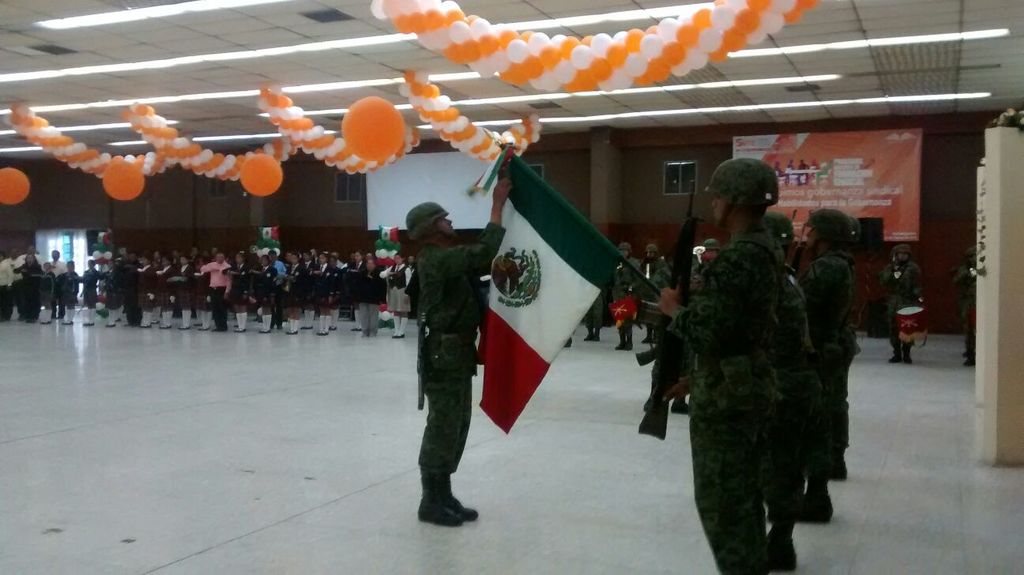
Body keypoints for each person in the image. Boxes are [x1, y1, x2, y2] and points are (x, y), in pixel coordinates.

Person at [657, 158, 782, 574]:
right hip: (744, 382)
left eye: (719, 195)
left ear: (735, 200)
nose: (713, 202)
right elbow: (740, 331)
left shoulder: (737, 258)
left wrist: (674, 310)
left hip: (728, 400)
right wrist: (697, 378)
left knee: (724, 505)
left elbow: (711, 334)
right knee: (743, 497)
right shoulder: (765, 248)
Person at [406, 176, 508, 528]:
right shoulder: (434, 258)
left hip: (456, 352)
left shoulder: (445, 256)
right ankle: (430, 500)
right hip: (443, 353)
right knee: (442, 424)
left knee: (457, 423)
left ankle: (443, 494)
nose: (450, 221)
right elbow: (483, 253)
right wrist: (497, 206)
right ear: (430, 229)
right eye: (443, 219)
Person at [761, 211, 823, 571]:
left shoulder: (770, 285)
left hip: (777, 384)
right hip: (796, 382)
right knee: (787, 465)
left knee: (774, 466)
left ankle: (776, 541)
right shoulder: (788, 280)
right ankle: (781, 539)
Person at [798, 209, 857, 523]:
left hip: (820, 347)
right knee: (833, 404)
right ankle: (834, 461)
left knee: (818, 416)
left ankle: (819, 487)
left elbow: (803, 306)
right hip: (832, 344)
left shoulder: (826, 267)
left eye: (812, 230)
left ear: (823, 234)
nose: (807, 234)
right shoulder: (839, 263)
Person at [879, 244, 923, 364]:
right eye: (900, 254)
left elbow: (918, 284)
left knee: (907, 328)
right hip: (893, 301)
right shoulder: (890, 267)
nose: (903, 256)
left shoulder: (913, 268)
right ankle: (897, 353)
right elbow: (883, 281)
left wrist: (918, 296)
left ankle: (907, 353)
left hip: (907, 301)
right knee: (893, 328)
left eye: (905, 254)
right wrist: (893, 270)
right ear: (895, 255)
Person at [612, 242, 640, 351]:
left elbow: (638, 279)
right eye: (620, 250)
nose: (623, 252)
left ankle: (629, 342)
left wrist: (631, 288)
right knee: (619, 319)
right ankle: (622, 341)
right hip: (618, 293)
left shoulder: (634, 263)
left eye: (625, 250)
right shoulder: (617, 263)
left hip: (628, 294)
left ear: (629, 251)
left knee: (627, 320)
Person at [953, 246, 978, 366]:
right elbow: (956, 281)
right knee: (969, 329)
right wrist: (966, 272)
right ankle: (970, 353)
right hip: (968, 303)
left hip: (982, 303)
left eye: (976, 256)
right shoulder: (965, 269)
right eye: (972, 256)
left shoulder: (985, 267)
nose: (975, 259)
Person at [640, 243, 669, 344]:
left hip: (657, 291)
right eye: (648, 252)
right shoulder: (644, 262)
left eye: (651, 252)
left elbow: (663, 276)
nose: (649, 254)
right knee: (648, 314)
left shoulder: (661, 263)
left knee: (657, 314)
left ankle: (656, 335)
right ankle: (649, 335)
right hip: (647, 291)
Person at [383, 254, 413, 338]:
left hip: (403, 291)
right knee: (395, 310)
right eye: (395, 258)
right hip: (393, 291)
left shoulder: (406, 269)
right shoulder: (392, 268)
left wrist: (407, 293)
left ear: (403, 259)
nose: (396, 260)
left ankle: (402, 331)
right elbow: (381, 274)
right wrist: (388, 273)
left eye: (398, 258)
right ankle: (396, 330)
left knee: (403, 311)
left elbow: (409, 282)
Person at [355, 257, 387, 337]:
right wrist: (357, 297)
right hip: (363, 298)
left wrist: (382, 299)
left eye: (371, 264)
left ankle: (373, 331)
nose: (369, 265)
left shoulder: (379, 274)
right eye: (368, 263)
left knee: (373, 316)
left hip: (374, 298)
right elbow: (357, 286)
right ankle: (364, 331)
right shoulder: (362, 273)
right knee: (363, 315)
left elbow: (383, 287)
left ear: (375, 265)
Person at [201, 253, 232, 332]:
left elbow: (229, 281)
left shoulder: (227, 266)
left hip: (222, 289)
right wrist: (213, 268)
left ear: (224, 258)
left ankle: (223, 326)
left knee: (222, 308)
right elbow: (202, 269)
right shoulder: (212, 264)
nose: (219, 259)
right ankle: (218, 326)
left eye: (221, 257)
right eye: (218, 257)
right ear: (215, 258)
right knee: (215, 308)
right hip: (213, 288)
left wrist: (227, 291)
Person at [227, 252, 252, 333]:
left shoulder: (247, 267)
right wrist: (231, 272)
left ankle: (243, 326)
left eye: (239, 257)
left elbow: (247, 280)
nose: (237, 259)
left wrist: (246, 292)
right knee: (237, 307)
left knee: (243, 306)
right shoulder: (234, 266)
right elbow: (225, 271)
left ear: (243, 258)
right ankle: (239, 325)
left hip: (243, 289)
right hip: (235, 289)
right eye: (236, 258)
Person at [281, 252, 305, 335]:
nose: (293, 259)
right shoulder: (289, 267)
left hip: (297, 291)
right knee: (290, 309)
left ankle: (295, 329)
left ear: (298, 259)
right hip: (289, 291)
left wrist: (293, 278)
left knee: (296, 309)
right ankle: (291, 328)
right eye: (292, 258)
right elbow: (286, 276)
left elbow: (301, 280)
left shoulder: (301, 268)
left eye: (294, 258)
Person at [168, 256, 195, 330]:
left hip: (188, 289)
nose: (181, 261)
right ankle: (184, 323)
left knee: (187, 307)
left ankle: (187, 324)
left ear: (187, 260)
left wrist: (179, 278)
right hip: (180, 289)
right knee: (183, 307)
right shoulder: (179, 268)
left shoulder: (190, 268)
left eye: (183, 259)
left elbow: (190, 278)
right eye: (181, 259)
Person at [311, 253, 335, 336]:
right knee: (321, 310)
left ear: (326, 259)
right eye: (320, 258)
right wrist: (314, 273)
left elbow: (332, 283)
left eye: (322, 258)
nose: (321, 260)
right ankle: (321, 329)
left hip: (327, 292)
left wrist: (331, 294)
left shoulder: (330, 269)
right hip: (319, 292)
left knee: (327, 310)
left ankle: (326, 329)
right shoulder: (317, 267)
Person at [253, 255, 278, 334]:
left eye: (264, 260)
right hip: (260, 292)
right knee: (263, 309)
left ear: (268, 261)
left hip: (269, 291)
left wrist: (272, 293)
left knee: (268, 309)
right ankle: (264, 326)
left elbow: (273, 282)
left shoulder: (272, 270)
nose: (263, 262)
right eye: (262, 260)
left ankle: (268, 327)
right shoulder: (259, 269)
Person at [137, 255, 159, 328]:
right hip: (143, 290)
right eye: (142, 259)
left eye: (145, 259)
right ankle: (144, 321)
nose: (143, 261)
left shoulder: (151, 269)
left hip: (149, 290)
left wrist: (152, 292)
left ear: (149, 261)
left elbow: (152, 280)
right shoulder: (143, 268)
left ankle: (148, 322)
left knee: (148, 307)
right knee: (144, 307)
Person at [347, 251, 366, 332]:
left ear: (362, 256)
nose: (356, 257)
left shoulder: (364, 265)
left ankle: (362, 325)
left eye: (358, 256)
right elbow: (349, 274)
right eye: (355, 256)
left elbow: (363, 274)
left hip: (362, 288)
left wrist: (356, 272)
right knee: (355, 306)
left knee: (361, 306)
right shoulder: (352, 264)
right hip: (354, 288)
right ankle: (357, 325)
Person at [57, 261, 81, 325]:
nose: (69, 267)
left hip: (72, 292)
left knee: (71, 305)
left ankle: (70, 319)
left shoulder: (75, 274)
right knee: (67, 306)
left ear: (73, 266)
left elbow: (76, 284)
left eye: (71, 266)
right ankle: (68, 319)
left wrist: (75, 292)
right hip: (65, 292)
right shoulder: (64, 274)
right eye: (68, 266)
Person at [81, 260, 103, 327]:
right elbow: (83, 281)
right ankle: (89, 320)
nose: (89, 265)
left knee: (92, 304)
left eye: (90, 264)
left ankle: (92, 321)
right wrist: (83, 290)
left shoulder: (95, 272)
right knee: (88, 304)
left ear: (93, 265)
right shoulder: (86, 272)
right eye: (88, 264)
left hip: (92, 289)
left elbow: (100, 278)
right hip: (86, 289)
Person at [193, 255, 212, 331]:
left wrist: (209, 294)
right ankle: (204, 324)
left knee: (207, 309)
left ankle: (207, 324)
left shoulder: (209, 272)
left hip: (206, 292)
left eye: (201, 262)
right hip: (200, 292)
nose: (200, 264)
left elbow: (209, 283)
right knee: (202, 309)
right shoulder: (200, 272)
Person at [269, 250, 286, 330]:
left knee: (279, 305)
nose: (272, 258)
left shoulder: (280, 263)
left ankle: (279, 323)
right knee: (270, 305)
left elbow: (285, 272)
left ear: (276, 256)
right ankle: (271, 323)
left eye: (274, 256)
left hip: (278, 285)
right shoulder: (267, 263)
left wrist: (278, 275)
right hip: (269, 286)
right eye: (271, 256)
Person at [155, 255, 174, 329]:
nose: (163, 262)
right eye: (162, 260)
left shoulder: (171, 269)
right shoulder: (162, 269)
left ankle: (168, 323)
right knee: (163, 307)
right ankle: (165, 322)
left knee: (168, 307)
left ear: (169, 261)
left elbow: (172, 281)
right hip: (162, 290)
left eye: (165, 260)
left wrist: (163, 274)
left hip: (168, 290)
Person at [49, 250, 67, 321]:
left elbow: (65, 274)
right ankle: (53, 314)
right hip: (52, 284)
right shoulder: (49, 264)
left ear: (59, 255)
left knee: (61, 300)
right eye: (53, 254)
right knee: (52, 300)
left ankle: (61, 314)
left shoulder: (63, 264)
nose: (54, 255)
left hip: (60, 283)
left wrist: (64, 285)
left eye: (56, 254)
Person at [0, 251, 14, 321]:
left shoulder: (6, 264)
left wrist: (9, 284)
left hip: (5, 285)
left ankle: (7, 316)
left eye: (0, 256)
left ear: (3, 257)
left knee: (6, 302)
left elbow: (11, 275)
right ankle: (1, 316)